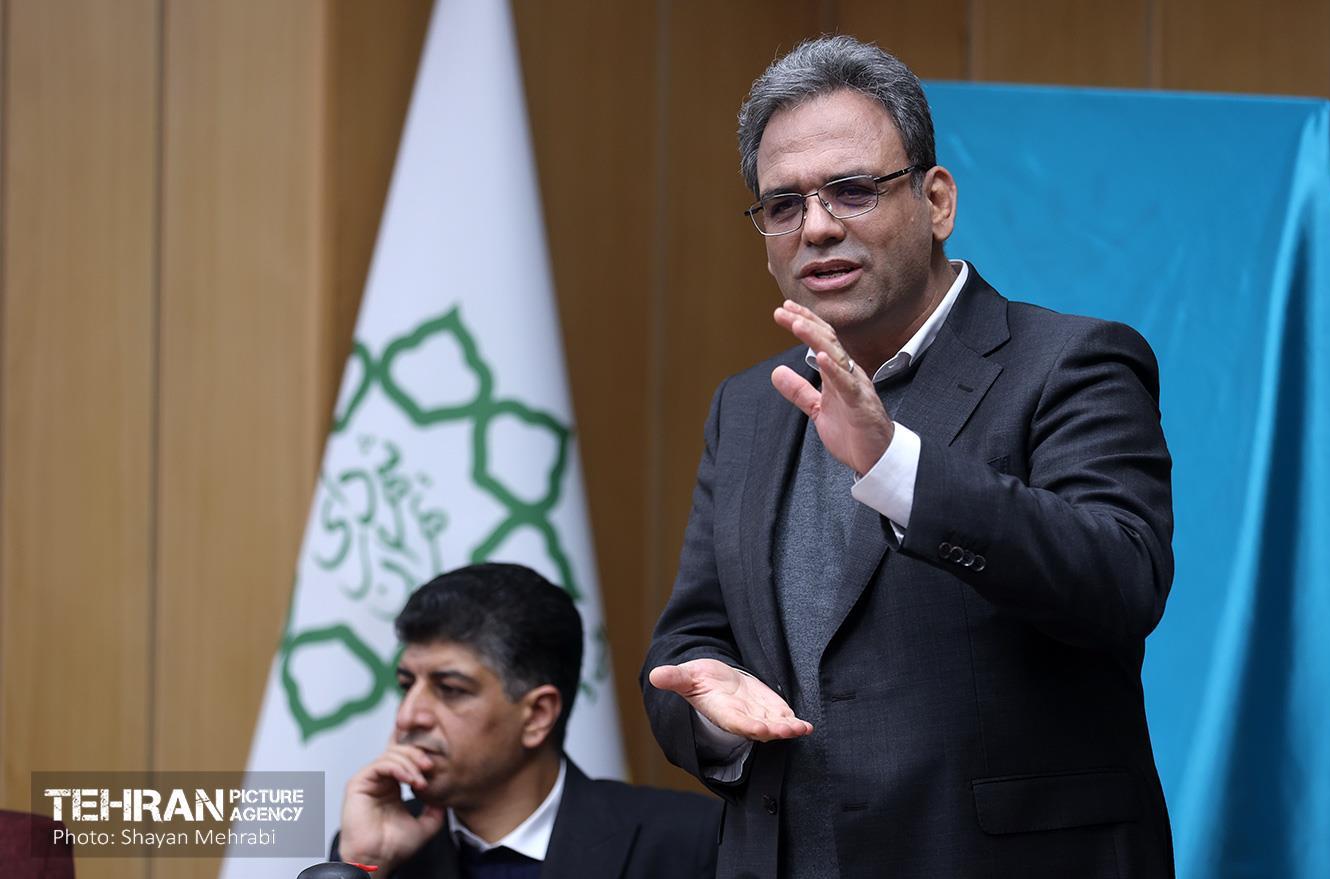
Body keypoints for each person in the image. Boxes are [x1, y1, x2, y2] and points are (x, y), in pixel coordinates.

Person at [643, 35, 1176, 878]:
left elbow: (1120, 579)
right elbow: (691, 636)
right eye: (783, 205)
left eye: (852, 190)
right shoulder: (750, 404)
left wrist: (898, 467)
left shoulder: (1071, 362)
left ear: (937, 201)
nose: (818, 226)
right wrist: (711, 709)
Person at [337, 563, 720, 878]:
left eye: (450, 689)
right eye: (407, 685)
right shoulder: (379, 843)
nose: (408, 717)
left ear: (537, 715)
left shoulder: (689, 841)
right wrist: (365, 865)